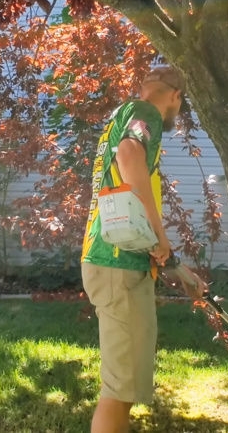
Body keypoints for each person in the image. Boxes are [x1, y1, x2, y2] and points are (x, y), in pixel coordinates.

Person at [81, 65, 188, 433]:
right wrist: (160, 235)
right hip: (117, 264)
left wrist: (174, 264)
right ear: (174, 95)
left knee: (122, 390)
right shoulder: (145, 113)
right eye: (181, 103)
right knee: (119, 392)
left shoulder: (122, 116)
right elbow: (129, 155)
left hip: (116, 260)